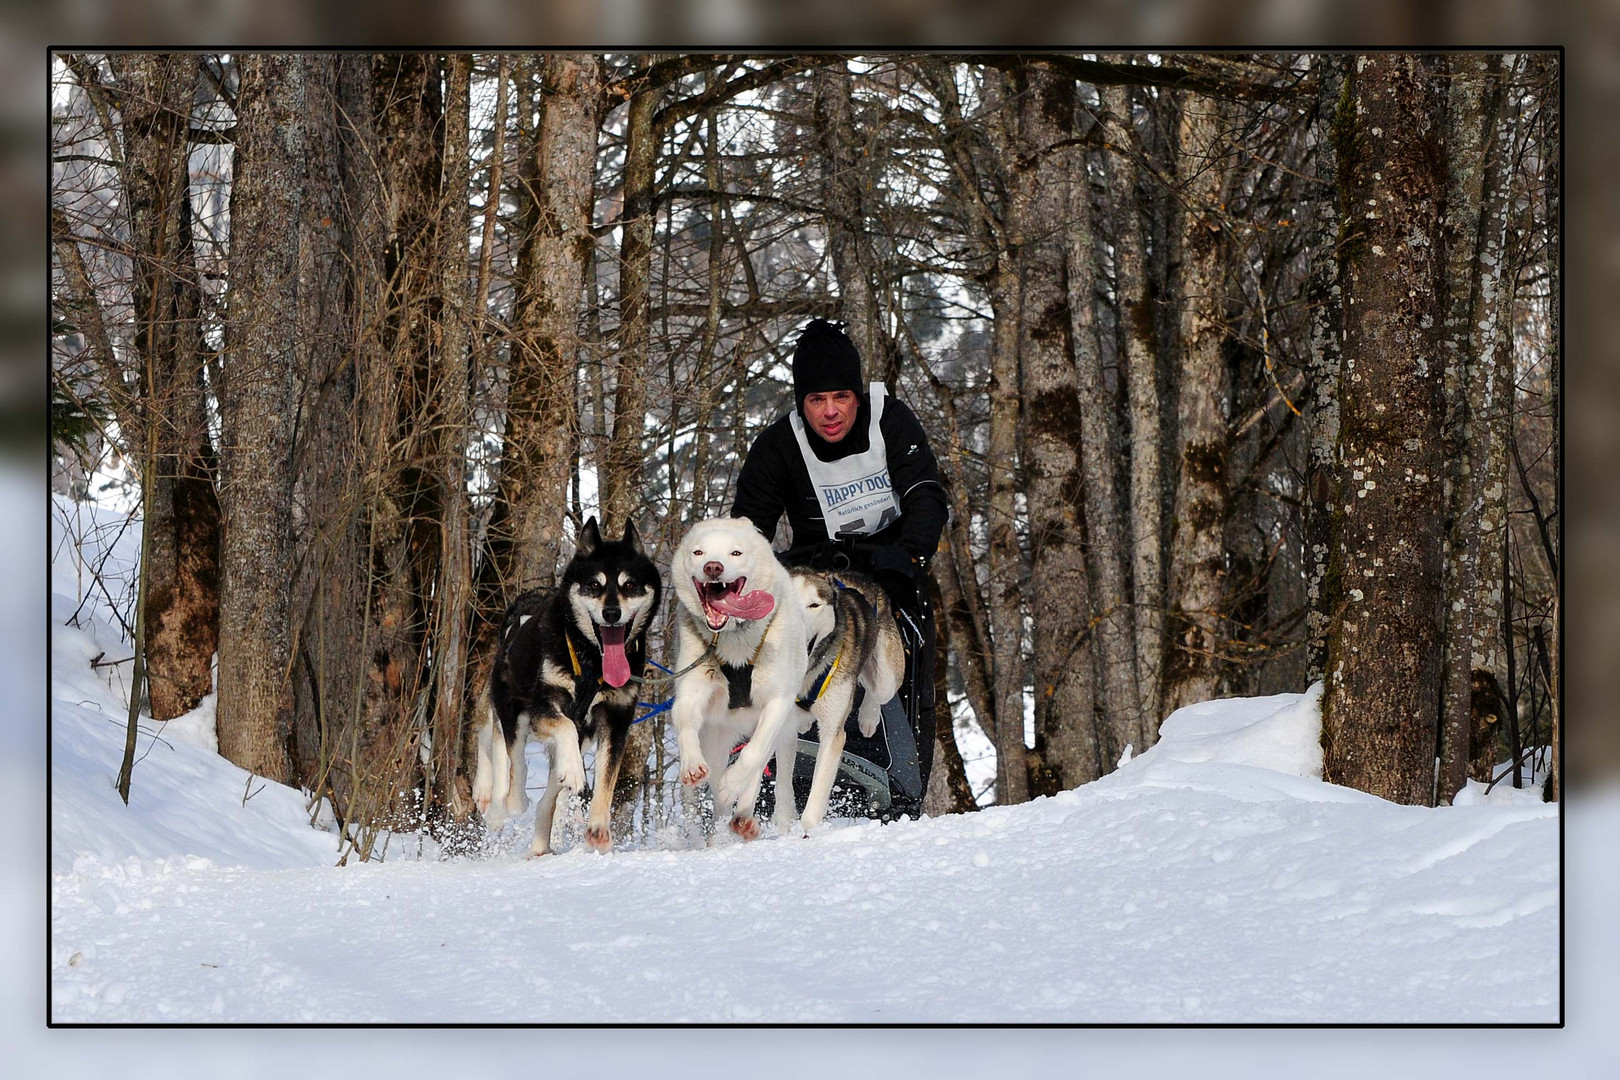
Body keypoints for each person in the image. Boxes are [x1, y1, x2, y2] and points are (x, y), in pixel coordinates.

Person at [731, 318, 948, 815]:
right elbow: (748, 530)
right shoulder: (778, 446)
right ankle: (769, 773)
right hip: (815, 577)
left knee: (900, 675)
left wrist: (910, 554)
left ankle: (898, 790)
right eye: (815, 401)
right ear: (800, 402)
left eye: (841, 398)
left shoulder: (890, 422)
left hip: (893, 574)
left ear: (857, 395)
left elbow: (926, 495)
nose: (829, 413)